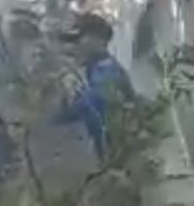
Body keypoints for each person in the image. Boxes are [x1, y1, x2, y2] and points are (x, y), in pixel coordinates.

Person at [52, 13, 137, 164]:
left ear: (98, 39)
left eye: (79, 39)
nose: (74, 46)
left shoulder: (107, 71)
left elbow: (93, 107)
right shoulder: (93, 69)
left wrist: (58, 110)